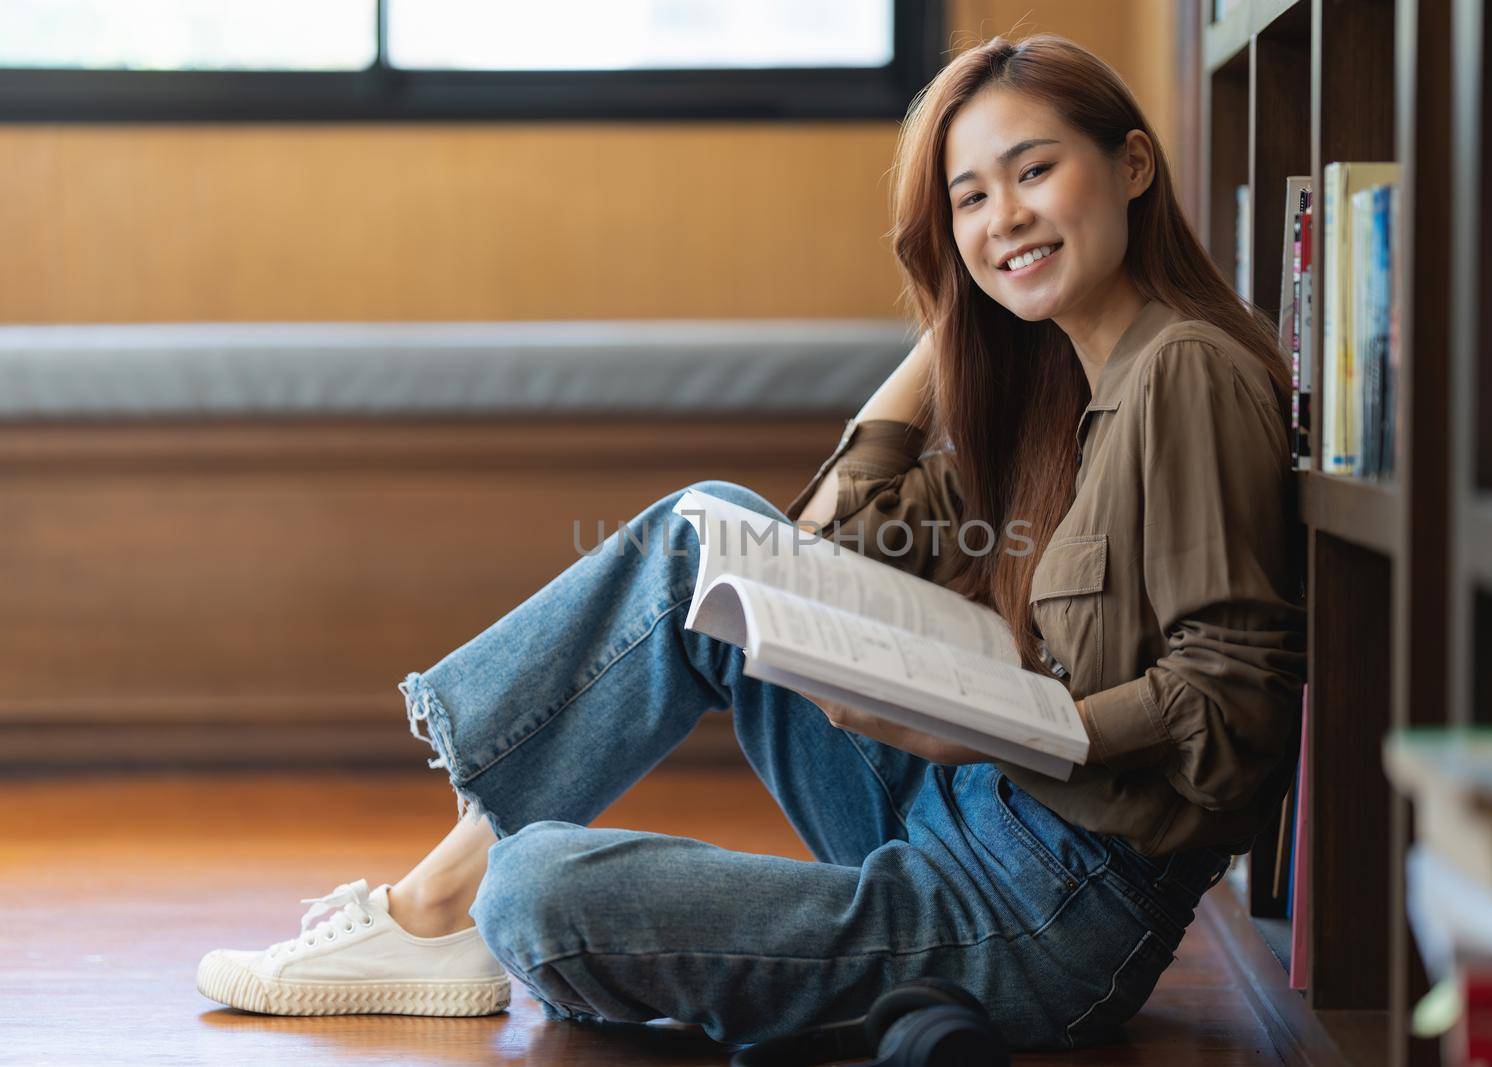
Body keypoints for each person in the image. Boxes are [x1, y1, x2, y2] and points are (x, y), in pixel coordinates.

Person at [197, 33, 1306, 1052]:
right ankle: (423, 913)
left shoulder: (1184, 374)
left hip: (1046, 912)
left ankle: (447, 913)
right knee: (708, 530)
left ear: (1133, 166)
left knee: (533, 889)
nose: (1001, 218)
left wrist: (979, 732)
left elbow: (1231, 706)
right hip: (952, 814)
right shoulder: (1061, 391)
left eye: (1032, 172)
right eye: (968, 200)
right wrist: (952, 320)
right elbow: (829, 538)